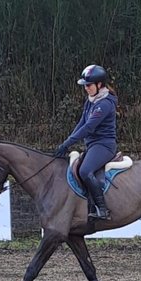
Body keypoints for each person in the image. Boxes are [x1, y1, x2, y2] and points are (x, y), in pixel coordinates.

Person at [54, 64, 117, 220]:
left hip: (104, 145)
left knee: (84, 171)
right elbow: (81, 123)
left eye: (89, 85)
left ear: (99, 84)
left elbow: (88, 127)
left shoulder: (104, 104)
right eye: (85, 85)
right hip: (92, 145)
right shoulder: (91, 101)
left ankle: (102, 209)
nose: (86, 88)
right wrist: (66, 142)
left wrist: (67, 144)